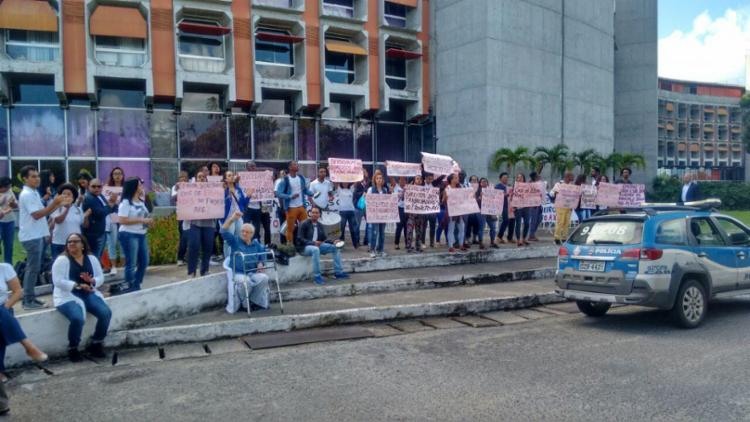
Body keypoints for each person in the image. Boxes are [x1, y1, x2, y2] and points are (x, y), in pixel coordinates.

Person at [52, 233, 111, 362]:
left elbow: (101, 277)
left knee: (105, 313)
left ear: (83, 244)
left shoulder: (91, 258)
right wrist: (77, 285)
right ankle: (73, 348)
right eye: (69, 242)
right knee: (77, 318)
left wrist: (93, 281)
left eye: (75, 241)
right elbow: (57, 281)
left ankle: (96, 343)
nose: (72, 244)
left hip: (88, 293)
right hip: (67, 296)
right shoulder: (62, 260)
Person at [18, 165, 70, 310]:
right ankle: (28, 301)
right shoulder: (27, 194)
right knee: (32, 269)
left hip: (37, 235)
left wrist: (57, 205)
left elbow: (43, 213)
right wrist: (55, 203)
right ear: (25, 179)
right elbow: (37, 215)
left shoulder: (33, 193)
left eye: (37, 176)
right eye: (33, 176)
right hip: (31, 236)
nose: (37, 179)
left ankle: (31, 298)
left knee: (35, 268)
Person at [0, 262, 48, 382]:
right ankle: (29, 346)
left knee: (2, 317)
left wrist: (5, 307)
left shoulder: (4, 268)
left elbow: (17, 292)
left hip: (4, 308)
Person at [221, 211, 270, 310]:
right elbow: (223, 231)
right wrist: (232, 219)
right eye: (242, 231)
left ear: (252, 234)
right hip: (238, 272)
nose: (244, 233)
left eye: (247, 232)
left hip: (252, 272)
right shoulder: (235, 242)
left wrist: (261, 263)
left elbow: (262, 255)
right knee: (246, 281)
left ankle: (253, 301)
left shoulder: (256, 244)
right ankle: (245, 304)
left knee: (264, 278)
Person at [117, 177, 152, 293]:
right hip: (128, 234)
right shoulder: (126, 202)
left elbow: (148, 212)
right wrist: (141, 220)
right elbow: (122, 220)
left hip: (141, 233)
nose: (142, 185)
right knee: (131, 262)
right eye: (139, 184)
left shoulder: (141, 201)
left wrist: (147, 222)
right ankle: (130, 285)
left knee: (144, 261)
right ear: (133, 187)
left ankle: (136, 283)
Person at [297, 206, 349, 285]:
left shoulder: (320, 225)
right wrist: (313, 243)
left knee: (336, 248)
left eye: (316, 213)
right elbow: (299, 239)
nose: (314, 214)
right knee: (315, 249)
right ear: (310, 213)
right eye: (313, 212)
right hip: (304, 248)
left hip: (317, 245)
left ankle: (338, 273)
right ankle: (317, 276)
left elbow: (324, 239)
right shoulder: (304, 223)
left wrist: (334, 241)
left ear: (319, 215)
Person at [186, 171, 217, 278]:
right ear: (196, 179)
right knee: (194, 246)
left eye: (204, 177)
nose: (202, 179)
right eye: (199, 177)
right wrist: (179, 188)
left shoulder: (213, 191)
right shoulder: (190, 190)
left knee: (208, 248)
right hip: (195, 223)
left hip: (209, 224)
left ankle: (205, 270)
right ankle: (191, 271)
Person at [276, 161, 314, 243]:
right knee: (290, 229)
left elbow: (305, 190)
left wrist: (312, 193)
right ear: (290, 167)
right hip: (291, 208)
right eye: (295, 165)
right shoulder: (285, 179)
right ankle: (290, 247)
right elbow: (278, 193)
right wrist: (290, 196)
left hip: (301, 207)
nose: (297, 166)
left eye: (297, 164)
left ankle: (305, 245)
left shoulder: (301, 177)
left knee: (305, 227)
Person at [82, 178, 117, 261]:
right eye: (93, 186)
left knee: (97, 257)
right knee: (94, 258)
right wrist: (111, 204)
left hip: (101, 231)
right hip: (93, 234)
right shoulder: (90, 198)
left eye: (99, 186)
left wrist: (112, 203)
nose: (96, 188)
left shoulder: (100, 196)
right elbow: (101, 213)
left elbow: (110, 209)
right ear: (88, 187)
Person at [50, 184, 87, 258]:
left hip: (75, 244)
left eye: (69, 194)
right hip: (60, 242)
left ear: (73, 197)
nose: (66, 196)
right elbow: (58, 220)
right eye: (64, 194)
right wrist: (67, 208)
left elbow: (83, 224)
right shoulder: (57, 207)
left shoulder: (78, 209)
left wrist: (87, 215)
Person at [243, 161, 272, 246]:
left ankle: (256, 245)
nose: (253, 168)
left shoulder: (260, 178)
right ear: (247, 168)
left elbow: (268, 174)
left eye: (255, 166)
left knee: (256, 229)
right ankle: (245, 245)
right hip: (247, 208)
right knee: (246, 228)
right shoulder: (243, 178)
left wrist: (269, 176)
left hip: (259, 208)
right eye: (251, 166)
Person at [222, 170, 249, 260]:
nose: (232, 176)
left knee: (238, 238)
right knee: (228, 239)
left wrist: (248, 196)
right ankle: (228, 259)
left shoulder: (238, 189)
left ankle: (236, 257)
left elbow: (243, 204)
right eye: (229, 175)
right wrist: (226, 195)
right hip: (229, 218)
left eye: (232, 175)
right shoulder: (223, 190)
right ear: (225, 179)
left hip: (238, 217)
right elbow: (219, 204)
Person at [105, 167, 125, 273]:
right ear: (112, 176)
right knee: (112, 242)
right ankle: (113, 266)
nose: (117, 176)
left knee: (122, 242)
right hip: (112, 217)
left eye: (119, 173)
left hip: (124, 217)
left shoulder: (126, 188)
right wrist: (112, 201)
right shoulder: (108, 189)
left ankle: (122, 265)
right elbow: (106, 205)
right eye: (115, 174)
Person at [367, 172, 389, 258]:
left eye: (381, 178)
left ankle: (380, 250)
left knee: (382, 233)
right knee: (374, 233)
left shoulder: (385, 190)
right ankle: (372, 250)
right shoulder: (370, 190)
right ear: (375, 180)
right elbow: (368, 202)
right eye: (377, 178)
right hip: (374, 216)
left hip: (383, 215)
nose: (379, 180)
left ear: (383, 180)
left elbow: (387, 202)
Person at [443, 174, 467, 253]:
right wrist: (447, 197)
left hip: (459, 211)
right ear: (451, 179)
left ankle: (461, 244)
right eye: (456, 178)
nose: (458, 179)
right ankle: (451, 246)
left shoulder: (460, 187)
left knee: (462, 228)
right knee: (451, 228)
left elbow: (465, 198)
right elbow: (443, 201)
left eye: (458, 178)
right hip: (451, 211)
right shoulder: (447, 188)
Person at [550, 171, 575, 245]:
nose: (573, 178)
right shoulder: (559, 184)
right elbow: (552, 193)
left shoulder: (572, 185)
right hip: (560, 206)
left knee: (567, 222)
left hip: (568, 206)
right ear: (567, 177)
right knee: (560, 222)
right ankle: (557, 238)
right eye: (571, 176)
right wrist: (556, 193)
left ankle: (564, 238)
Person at [404, 175, 427, 253]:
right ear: (414, 180)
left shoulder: (424, 189)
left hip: (420, 214)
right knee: (409, 230)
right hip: (411, 214)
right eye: (417, 179)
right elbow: (404, 198)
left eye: (420, 179)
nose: (419, 180)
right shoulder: (409, 188)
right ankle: (409, 246)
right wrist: (405, 191)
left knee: (419, 231)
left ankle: (418, 246)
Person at [171, 171, 189, 266]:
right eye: (181, 177)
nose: (183, 179)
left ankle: (189, 257)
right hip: (181, 215)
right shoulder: (175, 187)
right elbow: (173, 199)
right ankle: (180, 258)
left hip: (192, 215)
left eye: (184, 177)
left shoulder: (191, 186)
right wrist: (180, 190)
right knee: (183, 237)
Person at [476, 178, 497, 249]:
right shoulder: (477, 191)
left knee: (493, 227)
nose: (484, 183)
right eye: (482, 182)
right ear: (480, 183)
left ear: (487, 183)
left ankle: (492, 242)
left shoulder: (492, 191)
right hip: (481, 211)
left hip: (490, 211)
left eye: (486, 182)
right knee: (481, 227)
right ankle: (481, 243)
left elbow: (496, 200)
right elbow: (474, 201)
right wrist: (480, 197)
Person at [0, 177, 17, 265]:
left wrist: (13, 204)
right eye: (7, 187)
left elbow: (15, 206)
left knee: (9, 245)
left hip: (10, 221)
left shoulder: (10, 192)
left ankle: (8, 266)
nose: (8, 189)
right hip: (0, 222)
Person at [337, 182, 359, 248]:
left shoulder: (351, 189)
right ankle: (341, 245)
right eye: (344, 182)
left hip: (351, 211)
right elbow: (334, 181)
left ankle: (355, 244)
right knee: (341, 229)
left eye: (346, 182)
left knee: (353, 229)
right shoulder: (339, 189)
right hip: (342, 211)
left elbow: (357, 181)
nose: (345, 183)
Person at [353, 168, 370, 247]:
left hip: (367, 206)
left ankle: (366, 240)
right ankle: (356, 241)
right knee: (357, 225)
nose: (364, 174)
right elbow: (355, 194)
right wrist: (363, 193)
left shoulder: (368, 182)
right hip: (358, 207)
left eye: (365, 172)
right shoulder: (357, 183)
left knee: (369, 223)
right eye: (363, 173)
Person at [495, 172, 512, 244]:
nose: (506, 179)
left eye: (507, 178)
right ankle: (499, 236)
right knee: (506, 220)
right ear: (500, 178)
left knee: (508, 221)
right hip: (502, 205)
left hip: (509, 205)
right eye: (504, 178)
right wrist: (507, 194)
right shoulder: (498, 186)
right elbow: (497, 195)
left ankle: (502, 237)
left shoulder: (508, 186)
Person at [527, 172, 544, 241]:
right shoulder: (530, 184)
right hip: (533, 204)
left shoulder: (539, 183)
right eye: (537, 176)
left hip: (539, 203)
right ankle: (531, 235)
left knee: (540, 218)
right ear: (534, 177)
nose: (539, 177)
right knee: (533, 220)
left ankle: (532, 233)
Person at [274, 169, 287, 244]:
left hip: (289, 208)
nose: (283, 174)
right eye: (281, 173)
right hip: (281, 208)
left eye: (284, 173)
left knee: (290, 225)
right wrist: (282, 207)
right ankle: (283, 243)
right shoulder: (278, 181)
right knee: (283, 225)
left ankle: (290, 242)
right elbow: (277, 194)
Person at [393, 177, 407, 250]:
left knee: (406, 227)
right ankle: (396, 243)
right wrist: (388, 168)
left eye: (404, 180)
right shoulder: (396, 186)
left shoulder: (408, 188)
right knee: (399, 227)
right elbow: (391, 178)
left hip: (407, 209)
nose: (402, 181)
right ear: (398, 181)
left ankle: (407, 243)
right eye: (401, 180)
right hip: (399, 209)